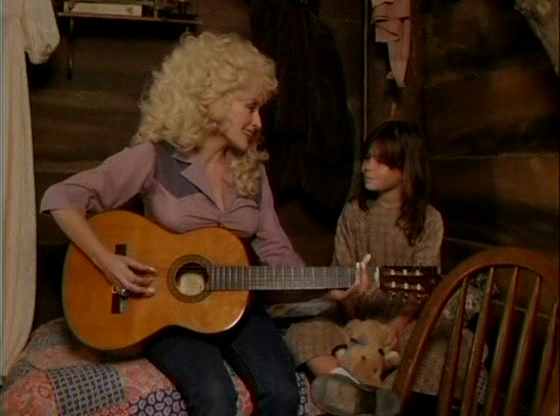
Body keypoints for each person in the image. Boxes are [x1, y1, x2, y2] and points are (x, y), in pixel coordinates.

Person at [40, 31, 304, 416]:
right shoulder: (154, 157)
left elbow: (279, 253)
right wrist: (108, 262)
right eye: (250, 108)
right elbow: (61, 198)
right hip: (165, 312)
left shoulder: (253, 173)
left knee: (284, 392)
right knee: (215, 397)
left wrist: (334, 287)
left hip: (237, 306)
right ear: (212, 100)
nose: (258, 122)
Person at [285, 120, 444, 415]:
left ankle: (387, 395)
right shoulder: (354, 212)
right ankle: (353, 392)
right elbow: (342, 270)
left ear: (405, 168)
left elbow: (423, 287)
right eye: (367, 158)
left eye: (380, 161)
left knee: (439, 348)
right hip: (354, 313)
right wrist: (351, 316)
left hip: (402, 319)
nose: (367, 167)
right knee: (302, 332)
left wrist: (396, 326)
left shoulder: (429, 219)